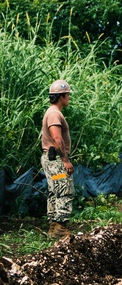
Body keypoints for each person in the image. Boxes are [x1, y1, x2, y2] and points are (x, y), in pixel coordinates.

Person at [40, 79, 74, 238]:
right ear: (61, 96)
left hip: (52, 160)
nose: (69, 97)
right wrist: (65, 160)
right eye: (67, 95)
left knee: (55, 190)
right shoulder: (54, 114)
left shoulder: (52, 112)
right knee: (63, 189)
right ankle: (60, 227)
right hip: (57, 162)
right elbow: (57, 139)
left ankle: (54, 226)